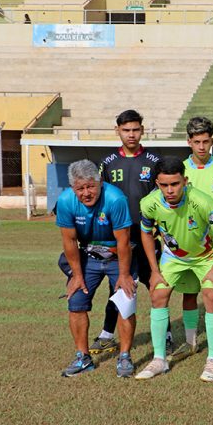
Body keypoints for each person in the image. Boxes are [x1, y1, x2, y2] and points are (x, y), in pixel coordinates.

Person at [135, 157, 213, 380]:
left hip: (206, 256)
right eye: (164, 185)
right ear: (157, 183)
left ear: (185, 181)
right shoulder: (149, 203)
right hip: (174, 257)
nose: (170, 190)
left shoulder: (204, 202)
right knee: (158, 294)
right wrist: (154, 271)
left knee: (211, 295)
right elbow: (146, 233)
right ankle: (159, 360)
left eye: (175, 184)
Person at [56, 160, 136, 378]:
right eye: (80, 188)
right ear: (73, 188)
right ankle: (83, 357)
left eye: (91, 186)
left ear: (100, 182)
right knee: (76, 303)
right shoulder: (65, 201)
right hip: (88, 257)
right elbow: (69, 242)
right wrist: (77, 275)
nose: (86, 193)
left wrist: (124, 274)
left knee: (125, 303)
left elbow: (124, 240)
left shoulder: (115, 199)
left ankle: (125, 357)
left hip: (118, 257)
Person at [173, 117, 213, 364]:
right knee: (189, 293)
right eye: (196, 142)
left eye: (206, 141)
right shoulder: (180, 170)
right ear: (189, 142)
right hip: (186, 245)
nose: (202, 147)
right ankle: (190, 341)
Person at [97, 110, 162, 355]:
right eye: (126, 130)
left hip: (147, 234)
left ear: (142, 130)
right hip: (119, 236)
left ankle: (164, 333)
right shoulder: (108, 162)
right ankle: (106, 334)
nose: (131, 134)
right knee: (118, 284)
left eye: (135, 129)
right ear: (118, 131)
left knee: (155, 283)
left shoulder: (154, 161)